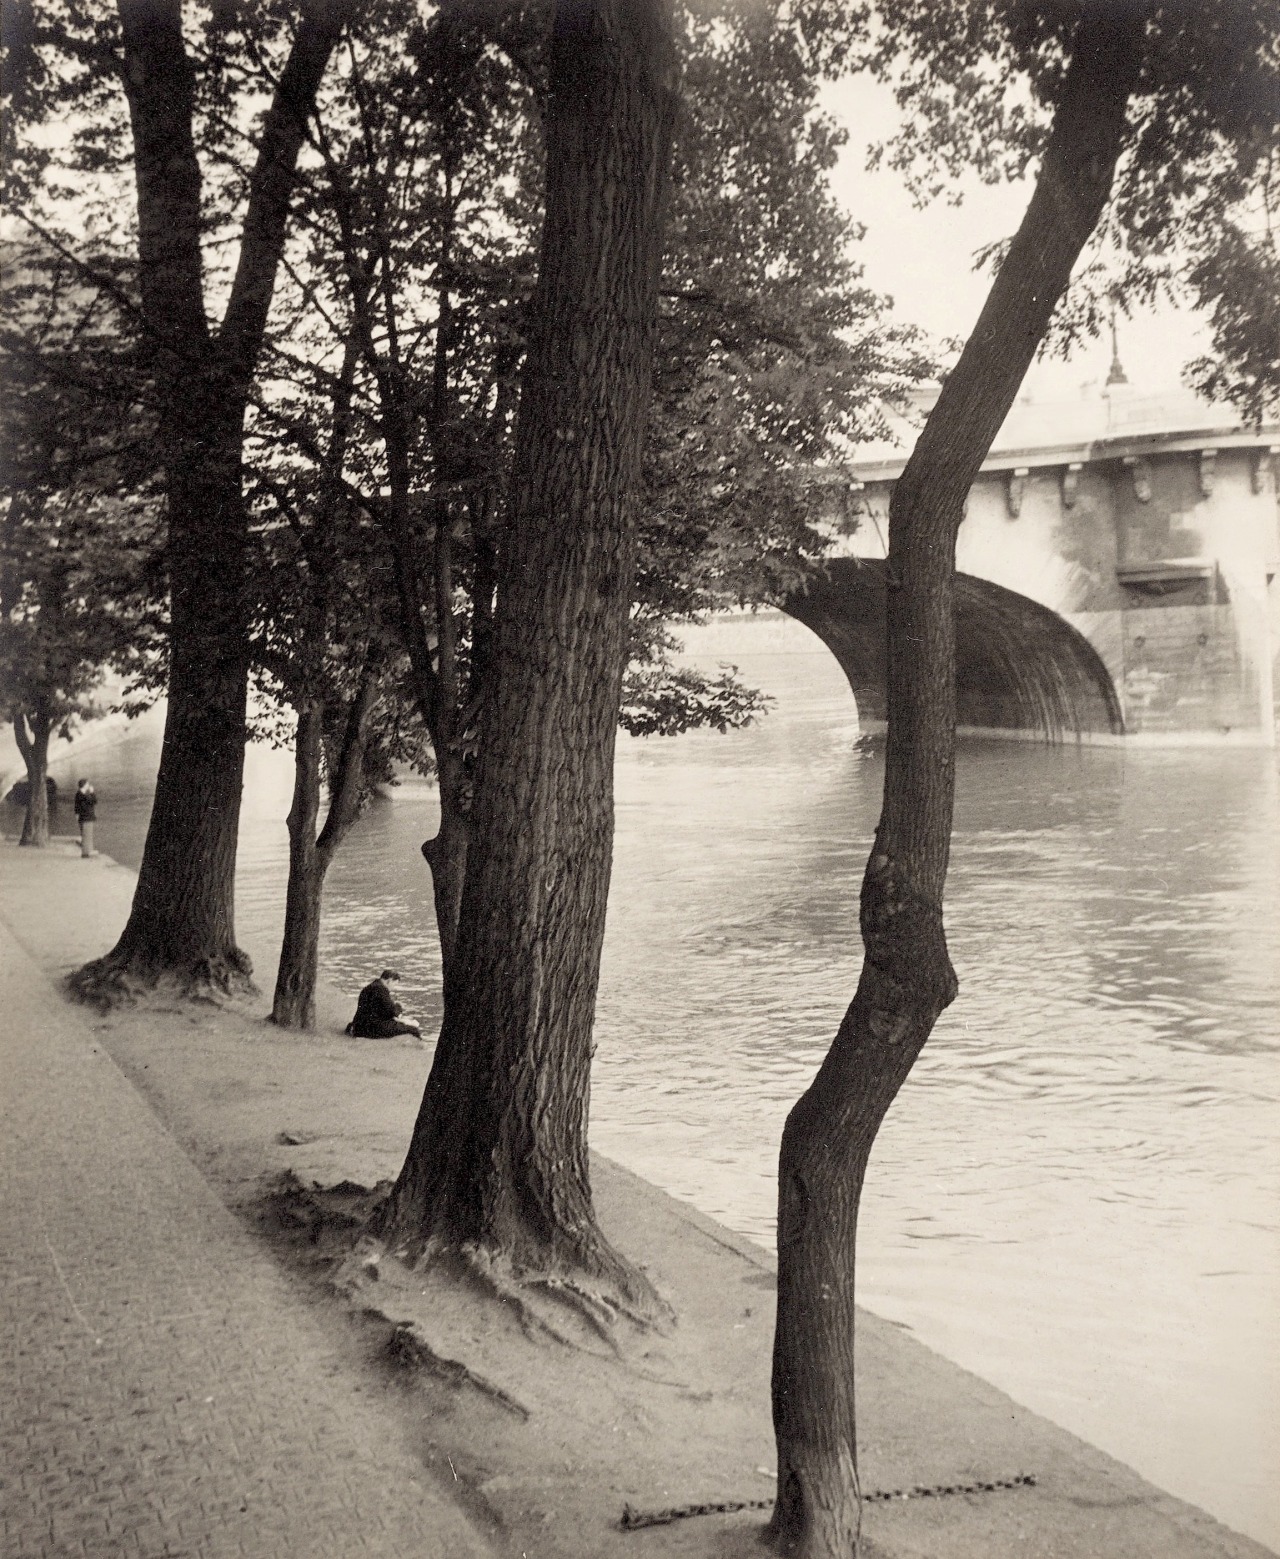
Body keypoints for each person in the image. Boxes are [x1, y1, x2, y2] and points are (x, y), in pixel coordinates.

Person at [344, 968, 421, 1039]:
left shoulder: (369, 987)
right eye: (394, 984)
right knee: (413, 1029)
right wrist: (400, 1013)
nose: (393, 988)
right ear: (389, 981)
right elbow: (392, 1011)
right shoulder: (381, 990)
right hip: (371, 1028)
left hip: (360, 1024)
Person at [73, 779, 97, 858]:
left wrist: (77, 815)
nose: (89, 785)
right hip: (87, 818)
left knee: (85, 835)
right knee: (87, 835)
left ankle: (87, 851)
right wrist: (92, 792)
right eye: (87, 784)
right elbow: (94, 801)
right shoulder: (84, 796)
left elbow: (76, 807)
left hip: (83, 817)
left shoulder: (78, 794)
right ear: (85, 785)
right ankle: (85, 853)